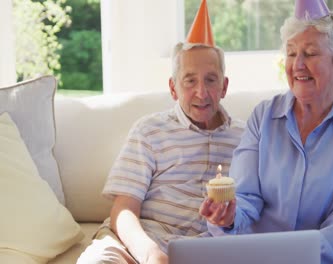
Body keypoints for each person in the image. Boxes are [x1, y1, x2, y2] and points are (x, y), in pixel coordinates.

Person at [199, 0, 333, 263]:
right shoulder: (263, 116)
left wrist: (293, 257)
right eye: (292, 53)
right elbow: (247, 196)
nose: (297, 64)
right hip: (260, 253)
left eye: (310, 53)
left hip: (326, 257)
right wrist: (229, 217)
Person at [77, 1, 244, 263]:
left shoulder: (245, 138)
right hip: (139, 239)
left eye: (210, 80)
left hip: (205, 249)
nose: (201, 92)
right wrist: (149, 253)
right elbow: (123, 208)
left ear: (224, 86)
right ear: (173, 88)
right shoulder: (149, 130)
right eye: (190, 80)